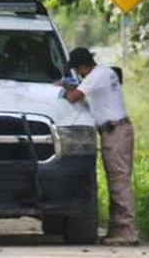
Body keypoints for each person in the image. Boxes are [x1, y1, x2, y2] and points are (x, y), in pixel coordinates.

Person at [59, 47, 138, 245]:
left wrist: (64, 87)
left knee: (119, 181)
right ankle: (117, 230)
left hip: (115, 131)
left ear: (83, 66)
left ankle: (127, 231)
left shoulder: (96, 76)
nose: (79, 74)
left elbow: (73, 97)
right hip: (115, 131)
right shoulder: (105, 72)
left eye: (78, 70)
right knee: (116, 180)